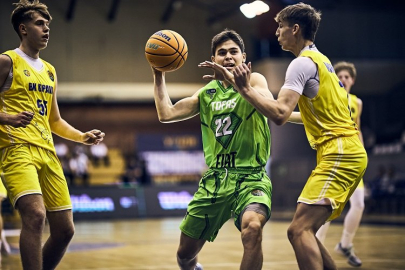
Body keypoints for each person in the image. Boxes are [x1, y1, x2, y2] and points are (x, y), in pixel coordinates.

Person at [201, 3, 367, 270]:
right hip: (342, 152)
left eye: (281, 26)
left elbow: (278, 114)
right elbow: (302, 115)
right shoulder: (321, 60)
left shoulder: (301, 64)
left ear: (296, 29)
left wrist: (242, 88)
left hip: (339, 152)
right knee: (306, 230)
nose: (276, 32)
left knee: (298, 230)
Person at [151, 29, 273, 270]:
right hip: (215, 179)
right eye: (221, 53)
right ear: (214, 60)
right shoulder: (206, 93)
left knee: (253, 228)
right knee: (184, 255)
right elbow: (166, 113)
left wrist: (236, 82)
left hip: (251, 178)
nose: (228, 57)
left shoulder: (255, 80)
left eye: (233, 52)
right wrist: (158, 73)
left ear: (243, 57)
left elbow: (269, 104)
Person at [0, 1, 105, 269]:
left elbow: (54, 120)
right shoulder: (6, 61)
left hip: (47, 152)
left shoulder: (50, 70)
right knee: (35, 215)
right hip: (16, 149)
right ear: (23, 29)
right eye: (40, 23)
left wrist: (82, 136)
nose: (46, 29)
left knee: (65, 230)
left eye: (48, 24)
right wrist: (7, 118)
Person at [315, 61, 365, 267]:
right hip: (334, 157)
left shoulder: (357, 103)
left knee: (359, 203)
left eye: (347, 77)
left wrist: (362, 153)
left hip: (353, 158)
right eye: (340, 76)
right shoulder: (329, 95)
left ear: (352, 80)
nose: (343, 79)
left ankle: (345, 243)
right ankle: (315, 245)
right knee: (327, 207)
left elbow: (357, 129)